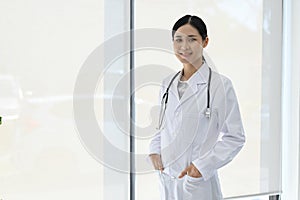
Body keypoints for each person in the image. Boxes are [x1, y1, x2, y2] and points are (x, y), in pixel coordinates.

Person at [149, 15, 245, 200]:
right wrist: (154, 152)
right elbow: (163, 127)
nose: (184, 46)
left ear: (205, 42)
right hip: (168, 179)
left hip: (198, 185)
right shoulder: (167, 84)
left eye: (192, 39)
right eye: (178, 40)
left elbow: (235, 137)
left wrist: (201, 167)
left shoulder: (220, 86)